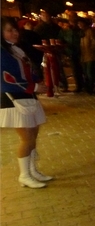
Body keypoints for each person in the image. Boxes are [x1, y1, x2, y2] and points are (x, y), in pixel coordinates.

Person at [0, 17, 53, 188]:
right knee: (26, 138)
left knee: (33, 135)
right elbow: (5, 79)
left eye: (15, 29)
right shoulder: (2, 52)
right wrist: (34, 86)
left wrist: (37, 81)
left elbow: (26, 70)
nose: (14, 33)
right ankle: (24, 175)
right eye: (9, 30)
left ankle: (32, 170)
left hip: (27, 96)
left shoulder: (15, 48)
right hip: (14, 97)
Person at [78, 18, 95, 95]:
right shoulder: (81, 32)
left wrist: (91, 49)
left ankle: (90, 88)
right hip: (84, 55)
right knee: (90, 72)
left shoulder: (89, 31)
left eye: (81, 23)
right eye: (78, 24)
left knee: (89, 72)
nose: (79, 25)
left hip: (90, 55)